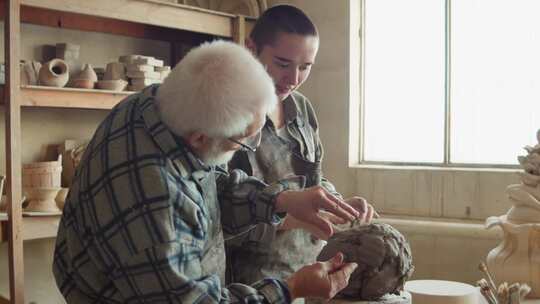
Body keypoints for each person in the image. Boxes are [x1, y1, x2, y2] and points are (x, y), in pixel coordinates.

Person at [52, 40, 361, 304]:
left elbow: (208, 183)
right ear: (199, 138)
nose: (246, 147)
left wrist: (281, 201)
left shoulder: (155, 104)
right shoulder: (158, 208)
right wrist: (292, 288)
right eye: (242, 142)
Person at [225, 4, 377, 288]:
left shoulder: (302, 109)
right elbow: (214, 216)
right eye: (283, 64)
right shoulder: (226, 117)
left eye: (305, 67)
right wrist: (290, 217)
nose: (293, 79)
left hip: (310, 275)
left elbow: (314, 180)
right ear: (250, 48)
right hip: (250, 285)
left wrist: (337, 203)